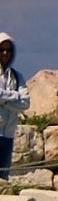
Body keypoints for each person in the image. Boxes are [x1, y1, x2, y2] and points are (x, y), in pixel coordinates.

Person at [0, 34, 26, 179]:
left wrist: (4, 99)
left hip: (8, 135)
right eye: (2, 49)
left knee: (3, 180)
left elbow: (25, 103)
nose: (5, 53)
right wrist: (14, 96)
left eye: (8, 50)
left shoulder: (17, 77)